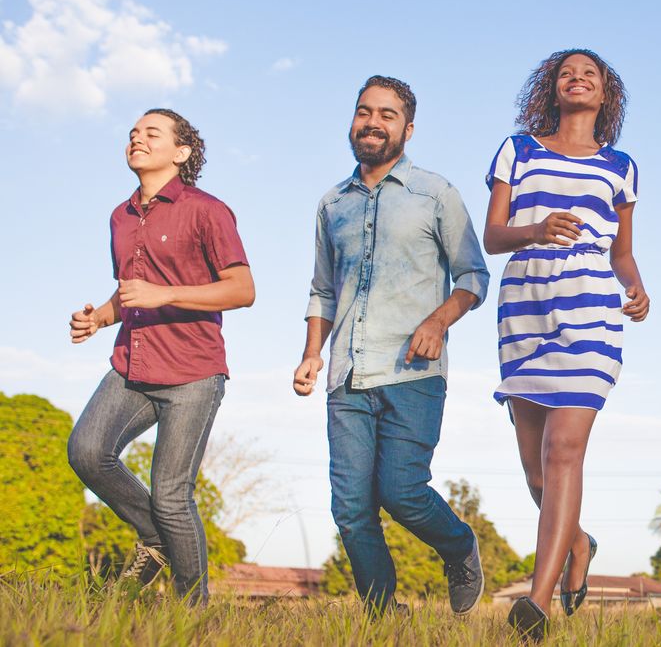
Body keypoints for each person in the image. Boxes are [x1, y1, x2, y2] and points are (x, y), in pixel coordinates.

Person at [293, 75, 490, 616]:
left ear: (408, 128)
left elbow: (474, 275)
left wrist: (439, 320)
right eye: (364, 111)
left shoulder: (435, 193)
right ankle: (384, 617)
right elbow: (322, 289)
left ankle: (459, 546)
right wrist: (312, 353)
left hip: (414, 372)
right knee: (351, 507)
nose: (373, 122)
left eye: (387, 114)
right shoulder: (332, 204)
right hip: (346, 374)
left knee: (402, 491)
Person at [483, 49, 648, 641]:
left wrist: (636, 288)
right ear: (552, 89)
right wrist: (536, 229)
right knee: (536, 474)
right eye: (566, 73)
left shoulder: (620, 166)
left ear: (605, 94)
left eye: (590, 74)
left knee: (563, 451)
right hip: (524, 305)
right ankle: (578, 543)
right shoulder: (518, 150)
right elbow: (492, 236)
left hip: (590, 307)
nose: (577, 79)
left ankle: (536, 604)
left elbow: (622, 253)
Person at [67, 109, 255, 605]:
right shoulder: (120, 216)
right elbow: (129, 291)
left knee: (172, 495)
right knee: (86, 451)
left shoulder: (207, 210)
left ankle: (192, 612)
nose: (138, 138)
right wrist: (99, 318)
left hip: (193, 372)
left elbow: (242, 289)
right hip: (132, 364)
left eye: (152, 133)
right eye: (133, 133)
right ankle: (155, 539)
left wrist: (164, 294)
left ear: (181, 152)